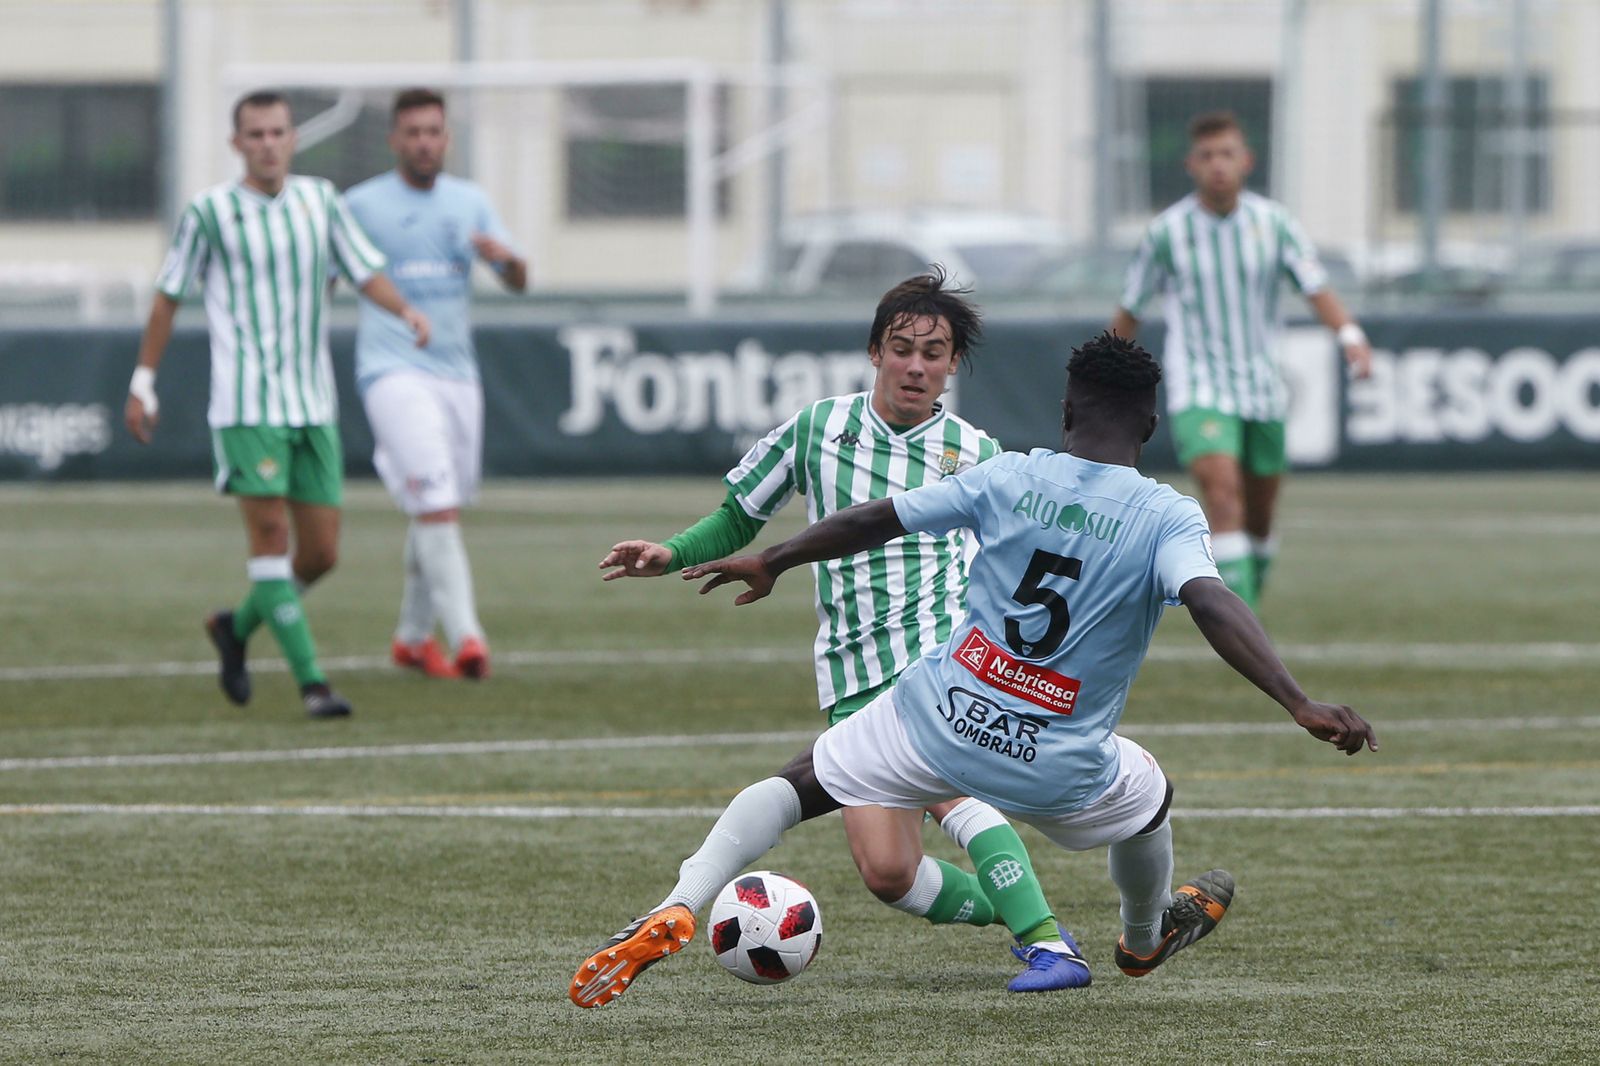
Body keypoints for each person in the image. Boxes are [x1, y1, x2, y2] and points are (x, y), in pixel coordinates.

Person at [570, 331, 1377, 1008]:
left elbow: (873, 519)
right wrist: (1297, 701)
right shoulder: (1165, 514)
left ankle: (680, 900)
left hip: (939, 722)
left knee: (796, 785)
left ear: (1066, 411)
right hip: (1058, 764)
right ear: (1151, 424)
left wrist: (776, 558)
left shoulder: (1010, 474)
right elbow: (1211, 602)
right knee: (1151, 795)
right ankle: (1142, 938)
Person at [589, 270, 1088, 999]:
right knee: (889, 874)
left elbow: (1027, 562)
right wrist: (670, 554)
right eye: (902, 348)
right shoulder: (818, 428)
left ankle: (1047, 943)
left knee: (944, 791)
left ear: (953, 367)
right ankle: (1027, 920)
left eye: (933, 352)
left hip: (935, 663)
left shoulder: (976, 454)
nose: (916, 365)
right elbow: (739, 519)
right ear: (875, 353)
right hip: (851, 675)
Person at [125, 90, 430, 719]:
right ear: (237, 143)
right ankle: (313, 683)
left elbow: (364, 267)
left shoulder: (321, 202)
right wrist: (143, 380)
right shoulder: (209, 211)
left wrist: (405, 310)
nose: (268, 144)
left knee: (321, 555)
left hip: (311, 402)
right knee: (269, 535)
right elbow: (167, 295)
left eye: (278, 132)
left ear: (294, 139)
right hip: (245, 404)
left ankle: (235, 628)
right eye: (256, 134)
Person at [1111, 110, 1373, 610]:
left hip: (1262, 388)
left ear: (1246, 161)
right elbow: (1131, 307)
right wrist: (1100, 374)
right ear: (1191, 164)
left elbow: (1315, 287)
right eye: (1207, 156)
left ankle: (1246, 593)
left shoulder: (1273, 225)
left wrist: (1350, 335)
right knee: (1222, 494)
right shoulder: (1167, 233)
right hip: (1200, 386)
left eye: (1227, 154)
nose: (1217, 165)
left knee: (1259, 515)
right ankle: (1243, 624)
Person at [345, 88, 528, 681]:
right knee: (438, 504)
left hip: (457, 376)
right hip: (391, 369)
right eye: (413, 132)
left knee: (434, 508)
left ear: (446, 138)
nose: (424, 141)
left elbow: (518, 279)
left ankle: (411, 638)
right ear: (395, 140)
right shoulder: (361, 205)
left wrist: (506, 258)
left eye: (433, 131)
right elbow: (319, 277)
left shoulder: (468, 201)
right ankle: (468, 638)